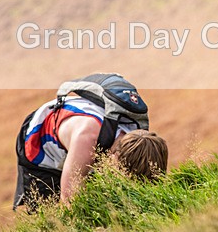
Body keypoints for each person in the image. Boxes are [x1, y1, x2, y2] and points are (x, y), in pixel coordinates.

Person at [13, 73, 168, 210]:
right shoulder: (87, 138)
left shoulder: (140, 139)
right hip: (38, 142)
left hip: (84, 128)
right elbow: (70, 202)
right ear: (116, 156)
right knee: (46, 210)